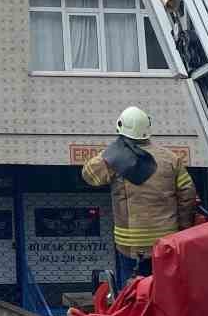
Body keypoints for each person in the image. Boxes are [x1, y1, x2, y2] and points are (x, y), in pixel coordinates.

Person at [79, 105, 197, 292]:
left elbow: (89, 175)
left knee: (133, 295)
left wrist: (112, 151)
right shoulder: (171, 158)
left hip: (130, 247)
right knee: (165, 292)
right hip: (166, 244)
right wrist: (182, 229)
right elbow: (187, 194)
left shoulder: (115, 159)